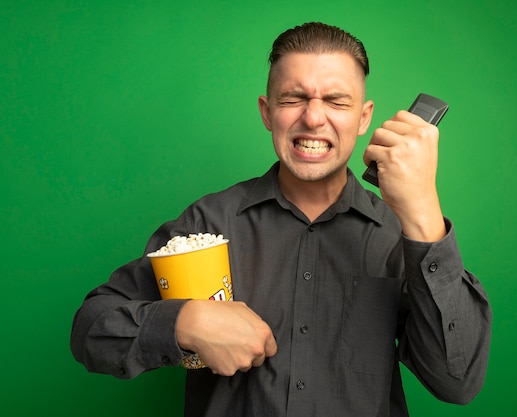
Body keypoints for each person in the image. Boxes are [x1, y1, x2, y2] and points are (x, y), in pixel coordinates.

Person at [70, 22, 491, 417]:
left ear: (363, 118)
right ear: (267, 112)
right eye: (293, 99)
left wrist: (422, 214)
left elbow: (457, 382)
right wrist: (184, 323)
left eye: (335, 100)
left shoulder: (402, 236)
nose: (312, 117)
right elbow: (90, 329)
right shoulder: (209, 220)